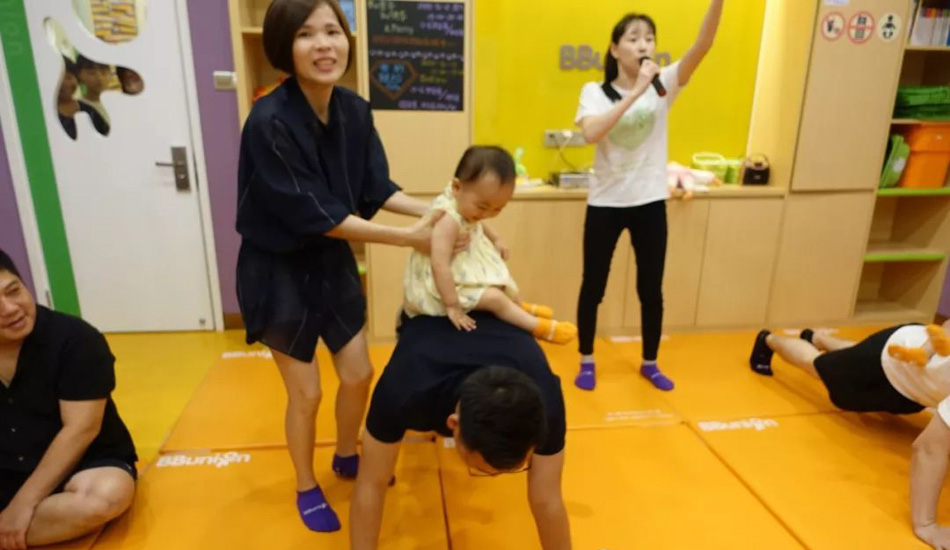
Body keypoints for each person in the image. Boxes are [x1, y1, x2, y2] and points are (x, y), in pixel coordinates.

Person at [236, 0, 464, 533]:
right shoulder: (268, 120)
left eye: (332, 31)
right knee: (307, 392)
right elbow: (315, 213)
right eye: (306, 34)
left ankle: (344, 452)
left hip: (330, 260)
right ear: (285, 46)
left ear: (347, 39)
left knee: (359, 373)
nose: (324, 45)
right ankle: (305, 483)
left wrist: (451, 211)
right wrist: (410, 238)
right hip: (277, 268)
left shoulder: (355, 110)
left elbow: (376, 187)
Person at [573, 1, 724, 392]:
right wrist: (638, 90)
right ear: (615, 49)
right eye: (633, 38)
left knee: (651, 289)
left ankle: (650, 362)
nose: (643, 45)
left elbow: (703, 44)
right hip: (606, 203)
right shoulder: (595, 92)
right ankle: (586, 359)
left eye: (649, 38)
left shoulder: (665, 84)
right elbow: (591, 133)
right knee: (593, 285)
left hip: (650, 202)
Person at [351, 312, 570, 550]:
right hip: (429, 316)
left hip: (501, 323)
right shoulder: (404, 388)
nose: (495, 476)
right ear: (453, 424)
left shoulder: (545, 404)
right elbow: (371, 483)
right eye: (481, 470)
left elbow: (547, 500)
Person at [749, 321, 950, 550]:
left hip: (906, 361)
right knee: (818, 365)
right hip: (887, 366)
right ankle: (769, 340)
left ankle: (818, 338)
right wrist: (926, 525)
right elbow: (928, 449)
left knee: (855, 354)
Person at [0, 250, 137, 550]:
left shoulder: (75, 339)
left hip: (84, 464)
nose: (10, 309)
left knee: (105, 497)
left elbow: (81, 430)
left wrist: (22, 504)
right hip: (6, 472)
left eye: (14, 291)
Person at [404, 145, 577, 344]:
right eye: (482, 207)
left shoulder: (464, 204)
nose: (486, 214)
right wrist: (452, 306)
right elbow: (439, 264)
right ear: (457, 187)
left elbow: (479, 223)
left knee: (501, 276)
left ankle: (519, 306)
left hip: (461, 268)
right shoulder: (448, 220)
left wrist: (496, 238)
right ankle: (539, 327)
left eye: (497, 209)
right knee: (495, 298)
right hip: (441, 287)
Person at [57, 57, 110, 140]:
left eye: (68, 77)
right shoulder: (47, 113)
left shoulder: (90, 110)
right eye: (58, 79)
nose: (65, 83)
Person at [76, 55, 112, 127]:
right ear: (79, 75)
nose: (100, 78)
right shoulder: (76, 107)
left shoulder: (119, 102)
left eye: (104, 72)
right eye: (91, 73)